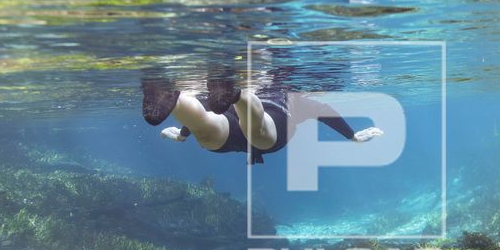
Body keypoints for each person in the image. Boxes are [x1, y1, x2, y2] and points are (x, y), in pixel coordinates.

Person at [142, 76, 383, 164]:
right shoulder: (296, 96)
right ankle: (236, 94)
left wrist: (183, 135)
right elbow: (325, 112)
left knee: (205, 127)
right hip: (271, 127)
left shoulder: (294, 94)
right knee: (258, 130)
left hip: (227, 123)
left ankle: (172, 97)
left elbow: (204, 109)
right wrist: (352, 137)